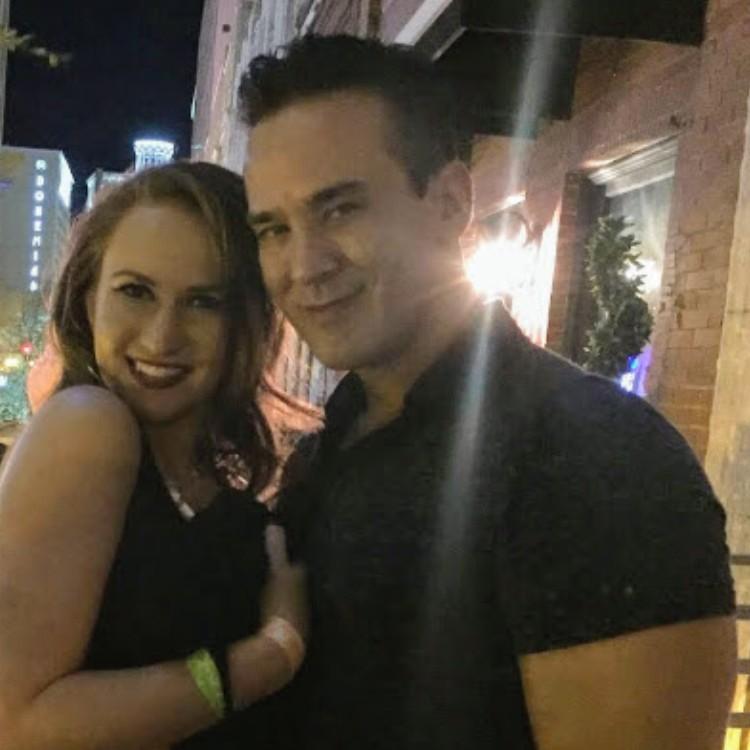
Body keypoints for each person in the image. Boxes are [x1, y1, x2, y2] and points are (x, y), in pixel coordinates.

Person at [239, 35, 736, 750]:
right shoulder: (333, 448)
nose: (303, 264)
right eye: (273, 229)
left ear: (449, 202)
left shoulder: (593, 457)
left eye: (340, 210)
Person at [0, 162, 307, 750]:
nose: (163, 336)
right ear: (88, 299)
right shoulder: (89, 424)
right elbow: (13, 724)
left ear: (246, 321)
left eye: (203, 302)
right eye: (136, 292)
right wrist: (271, 656)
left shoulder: (204, 479)